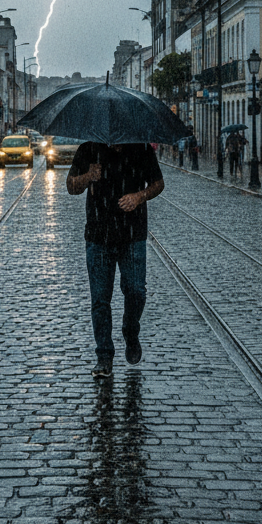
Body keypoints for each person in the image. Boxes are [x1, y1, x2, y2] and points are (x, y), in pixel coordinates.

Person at [66, 142, 164, 378]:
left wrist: (139, 196)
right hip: (98, 236)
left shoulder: (141, 149)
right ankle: (104, 355)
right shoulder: (89, 149)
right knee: (100, 299)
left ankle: (131, 331)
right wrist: (89, 175)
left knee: (136, 291)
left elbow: (158, 183)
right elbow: (71, 186)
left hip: (133, 234)